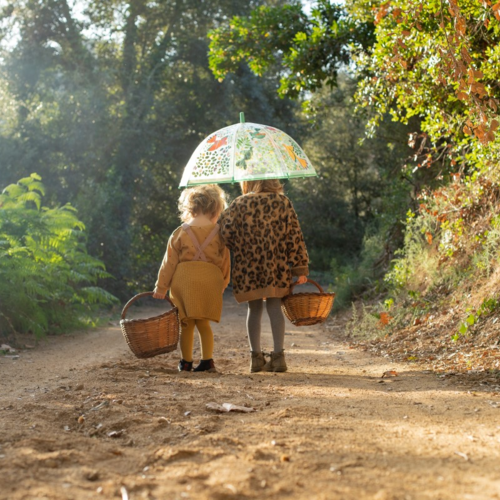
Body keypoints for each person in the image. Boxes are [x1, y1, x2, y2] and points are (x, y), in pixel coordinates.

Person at [219, 179, 309, 373]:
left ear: (248, 181)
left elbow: (225, 231)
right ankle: (278, 359)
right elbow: (295, 235)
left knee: (254, 308)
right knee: (275, 306)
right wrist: (300, 267)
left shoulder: (239, 203)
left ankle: (256, 359)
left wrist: (240, 246)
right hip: (276, 265)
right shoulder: (283, 202)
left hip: (248, 266)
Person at [153, 184, 230, 372]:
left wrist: (161, 287)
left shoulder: (180, 232)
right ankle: (207, 362)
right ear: (216, 209)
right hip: (209, 280)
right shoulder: (219, 233)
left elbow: (169, 262)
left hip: (184, 281)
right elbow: (225, 262)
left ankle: (186, 362)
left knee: (186, 324)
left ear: (190, 208)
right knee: (203, 323)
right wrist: (223, 283)